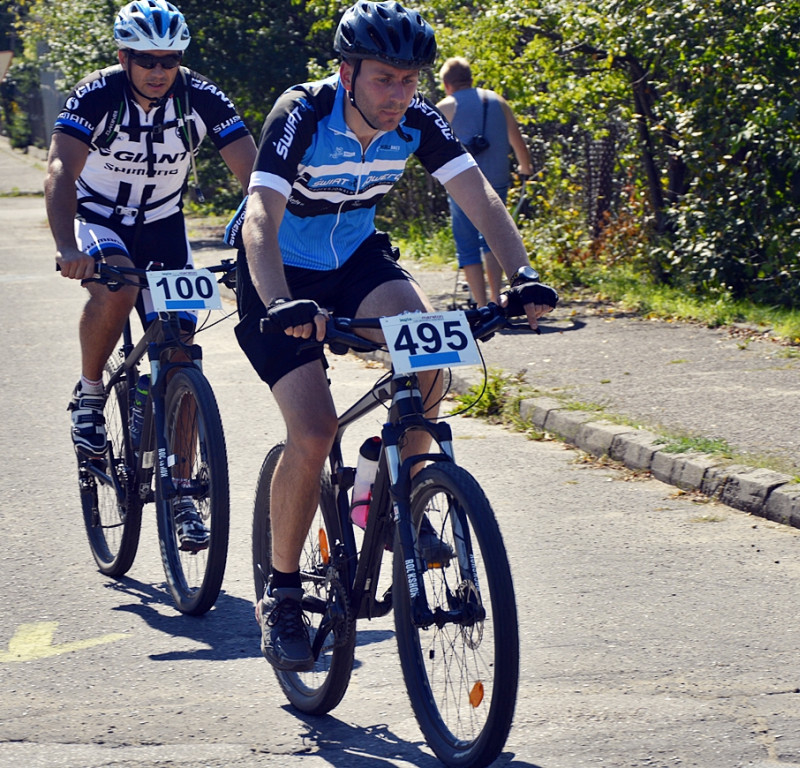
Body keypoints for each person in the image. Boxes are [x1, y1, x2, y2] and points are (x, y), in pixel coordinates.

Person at [232, 0, 557, 672]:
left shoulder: (417, 118)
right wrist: (278, 301)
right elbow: (261, 214)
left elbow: (480, 198)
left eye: (410, 80)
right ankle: (284, 594)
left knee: (432, 359)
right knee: (315, 429)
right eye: (384, 78)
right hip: (277, 275)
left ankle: (399, 498)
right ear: (346, 72)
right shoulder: (301, 113)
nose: (398, 94)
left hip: (354, 264)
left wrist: (522, 275)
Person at [47, 0, 257, 551]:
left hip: (164, 227)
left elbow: (255, 177)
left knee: (181, 349)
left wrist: (268, 245)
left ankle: (182, 488)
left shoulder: (201, 96)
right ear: (124, 57)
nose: (159, 71)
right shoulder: (97, 94)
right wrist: (69, 246)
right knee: (119, 283)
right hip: (98, 218)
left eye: (169, 59)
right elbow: (60, 169)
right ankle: (91, 394)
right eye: (146, 60)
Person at [436, 57, 534, 307]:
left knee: (467, 242)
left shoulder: (446, 106)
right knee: (492, 235)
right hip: (498, 179)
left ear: (447, 84)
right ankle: (497, 298)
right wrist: (525, 167)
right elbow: (517, 139)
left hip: (464, 184)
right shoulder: (497, 101)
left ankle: (481, 306)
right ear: (470, 78)